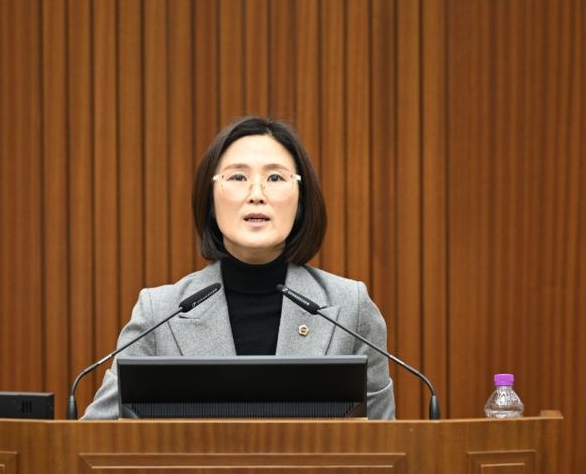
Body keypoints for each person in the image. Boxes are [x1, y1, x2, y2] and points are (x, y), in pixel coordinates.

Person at [83, 116, 395, 419]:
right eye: (237, 177)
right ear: (210, 199)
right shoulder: (160, 313)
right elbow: (95, 438)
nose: (256, 195)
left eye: (275, 178)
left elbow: (385, 444)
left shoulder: (350, 308)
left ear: (300, 201)